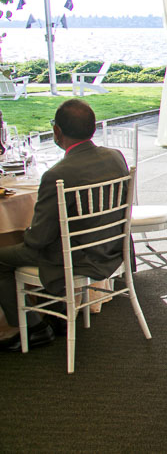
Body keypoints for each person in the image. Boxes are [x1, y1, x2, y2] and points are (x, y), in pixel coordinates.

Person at [0, 99, 130, 351]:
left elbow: (38, 239)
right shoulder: (116, 157)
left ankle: (32, 326)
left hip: (77, 257)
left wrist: (21, 234)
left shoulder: (57, 174)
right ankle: (54, 312)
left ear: (57, 132)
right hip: (111, 248)